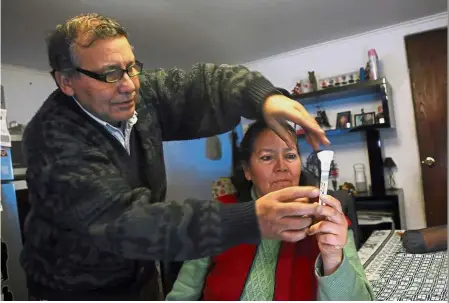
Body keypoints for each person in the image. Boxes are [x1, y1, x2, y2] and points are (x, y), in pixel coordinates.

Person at [21, 13, 329, 300]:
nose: (129, 85)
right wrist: (249, 220)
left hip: (140, 277)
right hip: (73, 291)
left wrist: (264, 97)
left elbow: (207, 84)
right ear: (66, 81)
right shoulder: (53, 140)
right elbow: (130, 223)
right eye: (110, 74)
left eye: (131, 67)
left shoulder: (139, 94)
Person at [166, 120, 374, 301]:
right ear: (247, 171)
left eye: (290, 155)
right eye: (267, 157)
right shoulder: (218, 215)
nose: (282, 167)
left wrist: (332, 257)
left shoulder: (328, 220)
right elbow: (184, 291)